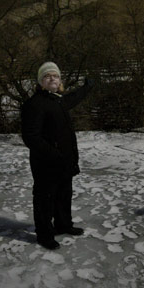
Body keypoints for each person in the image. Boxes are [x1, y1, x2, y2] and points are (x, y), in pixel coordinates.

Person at [20, 61, 95, 249]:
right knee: (45, 199)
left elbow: (73, 98)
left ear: (60, 80)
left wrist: (87, 87)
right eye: (47, 76)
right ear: (40, 82)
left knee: (63, 194)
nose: (52, 78)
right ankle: (44, 235)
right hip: (46, 163)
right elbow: (31, 137)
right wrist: (54, 154)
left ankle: (63, 225)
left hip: (63, 161)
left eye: (55, 75)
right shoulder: (35, 104)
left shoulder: (57, 100)